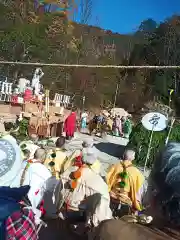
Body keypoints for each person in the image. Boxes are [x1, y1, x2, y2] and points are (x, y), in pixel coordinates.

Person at [60, 149, 112, 227]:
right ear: (93, 163)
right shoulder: (96, 180)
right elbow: (102, 203)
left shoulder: (69, 171)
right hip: (78, 213)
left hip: (63, 207)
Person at [106, 149, 145, 217]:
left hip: (112, 197)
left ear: (123, 156)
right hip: (126, 201)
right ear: (133, 158)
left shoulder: (115, 166)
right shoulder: (136, 172)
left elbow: (107, 180)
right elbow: (139, 190)